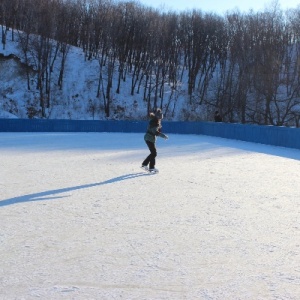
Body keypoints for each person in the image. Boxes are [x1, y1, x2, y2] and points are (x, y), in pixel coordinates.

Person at [141, 108, 168, 173]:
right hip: (150, 138)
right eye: (160, 118)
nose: (160, 119)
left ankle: (144, 164)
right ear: (158, 117)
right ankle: (151, 167)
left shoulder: (154, 120)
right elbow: (155, 132)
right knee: (154, 153)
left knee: (153, 153)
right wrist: (163, 136)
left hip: (148, 138)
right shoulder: (155, 122)